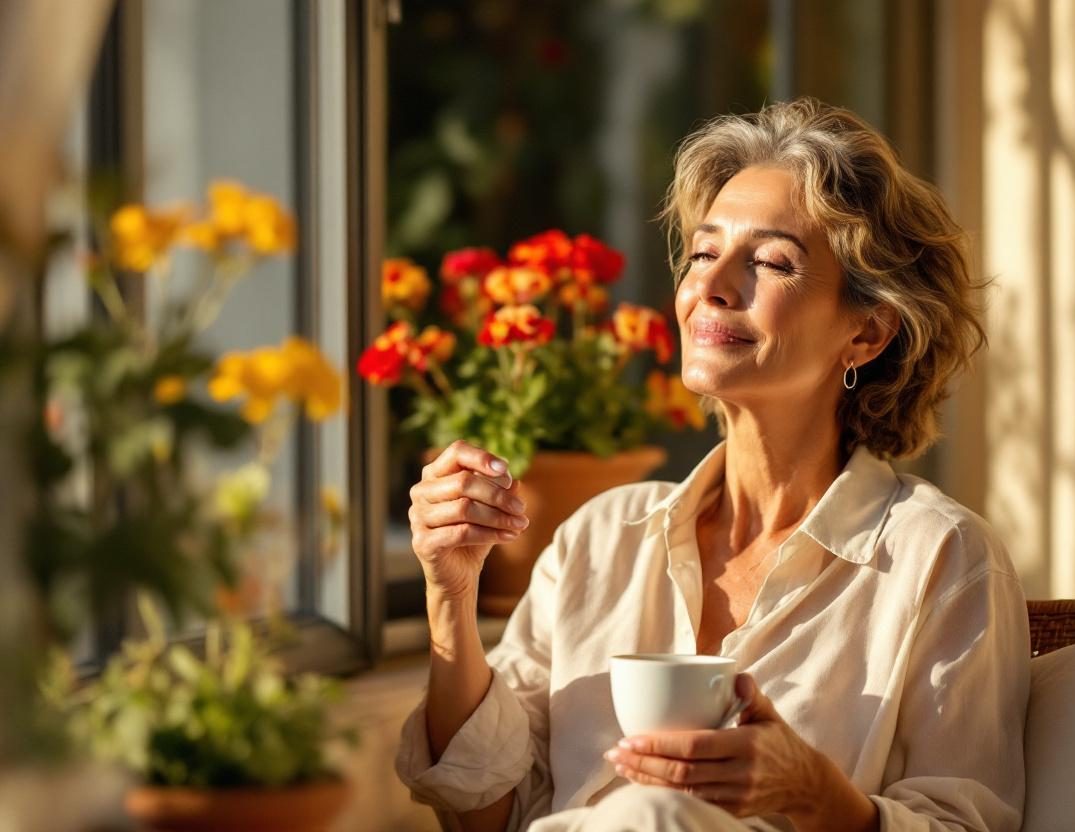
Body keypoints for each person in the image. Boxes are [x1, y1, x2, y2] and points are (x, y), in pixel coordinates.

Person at [395, 98, 1030, 832]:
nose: (712, 286)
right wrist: (451, 594)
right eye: (703, 252)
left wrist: (817, 797)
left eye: (771, 261)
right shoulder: (598, 539)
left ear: (867, 332)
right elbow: (487, 817)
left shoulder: (942, 559)